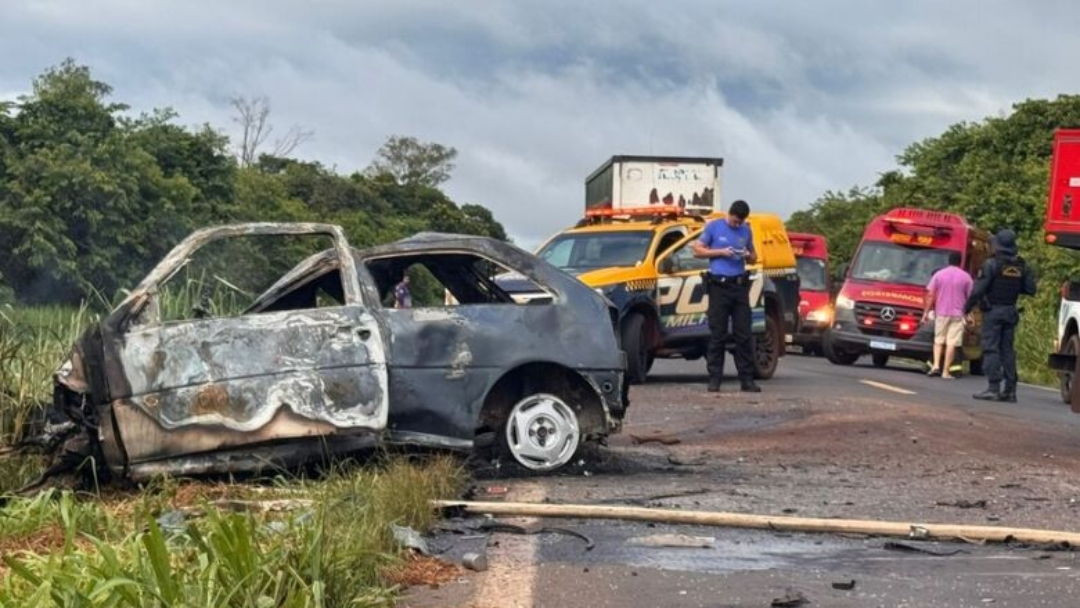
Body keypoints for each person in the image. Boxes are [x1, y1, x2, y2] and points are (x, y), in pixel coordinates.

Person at [692, 199, 760, 393]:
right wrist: (720, 252)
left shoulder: (746, 230)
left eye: (740, 222)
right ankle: (715, 379)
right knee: (717, 335)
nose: (736, 225)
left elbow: (754, 256)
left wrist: (748, 255)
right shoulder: (714, 227)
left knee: (743, 334)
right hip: (719, 286)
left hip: (739, 286)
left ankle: (746, 379)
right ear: (729, 214)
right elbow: (697, 250)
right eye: (734, 221)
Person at [964, 229, 1037, 403]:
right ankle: (1010, 391)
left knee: (990, 348)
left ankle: (994, 388)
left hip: (993, 311)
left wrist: (966, 307)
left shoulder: (991, 264)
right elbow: (1030, 289)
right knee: (1007, 350)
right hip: (1010, 311)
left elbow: (978, 289)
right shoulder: (1021, 265)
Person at [921, 251, 973, 379]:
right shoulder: (966, 277)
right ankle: (945, 372)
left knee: (938, 340)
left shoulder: (939, 275)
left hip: (941, 313)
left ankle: (935, 366)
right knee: (951, 343)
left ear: (948, 260)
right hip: (957, 314)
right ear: (960, 261)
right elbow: (970, 298)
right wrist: (969, 315)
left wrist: (926, 313)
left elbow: (930, 295)